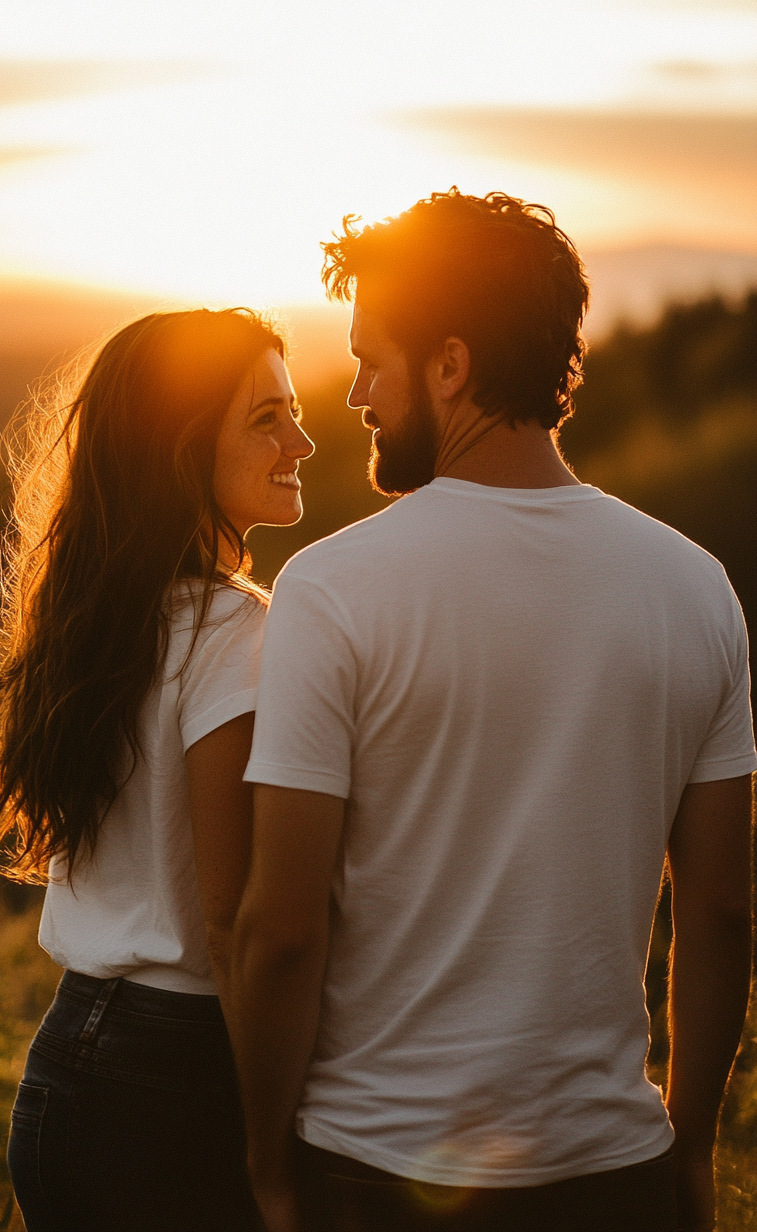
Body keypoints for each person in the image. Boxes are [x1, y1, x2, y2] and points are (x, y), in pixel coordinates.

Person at [231, 191, 756, 1232]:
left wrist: (263, 1161)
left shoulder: (334, 589)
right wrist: (687, 1149)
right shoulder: (696, 588)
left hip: (373, 1174)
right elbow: (720, 912)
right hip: (612, 1176)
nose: (355, 394)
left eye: (372, 358)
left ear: (450, 365)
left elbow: (280, 928)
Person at [0, 308, 314, 1232]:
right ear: (184, 446)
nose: (302, 441)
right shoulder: (238, 633)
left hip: (63, 1070)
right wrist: (275, 1157)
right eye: (266, 417)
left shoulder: (103, 619)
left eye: (295, 410)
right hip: (181, 1085)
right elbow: (230, 915)